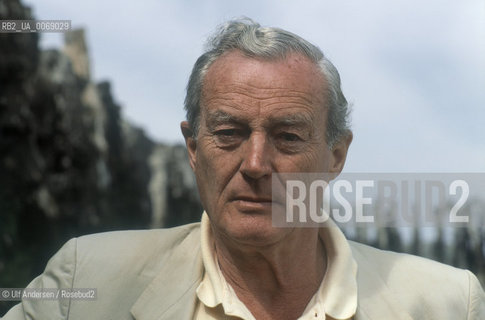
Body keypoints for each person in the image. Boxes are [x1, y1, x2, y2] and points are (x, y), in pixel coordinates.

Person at [2, 18, 484, 320]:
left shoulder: (448, 304)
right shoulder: (86, 283)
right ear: (193, 147)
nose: (255, 164)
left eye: (288, 136)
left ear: (336, 155)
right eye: (228, 133)